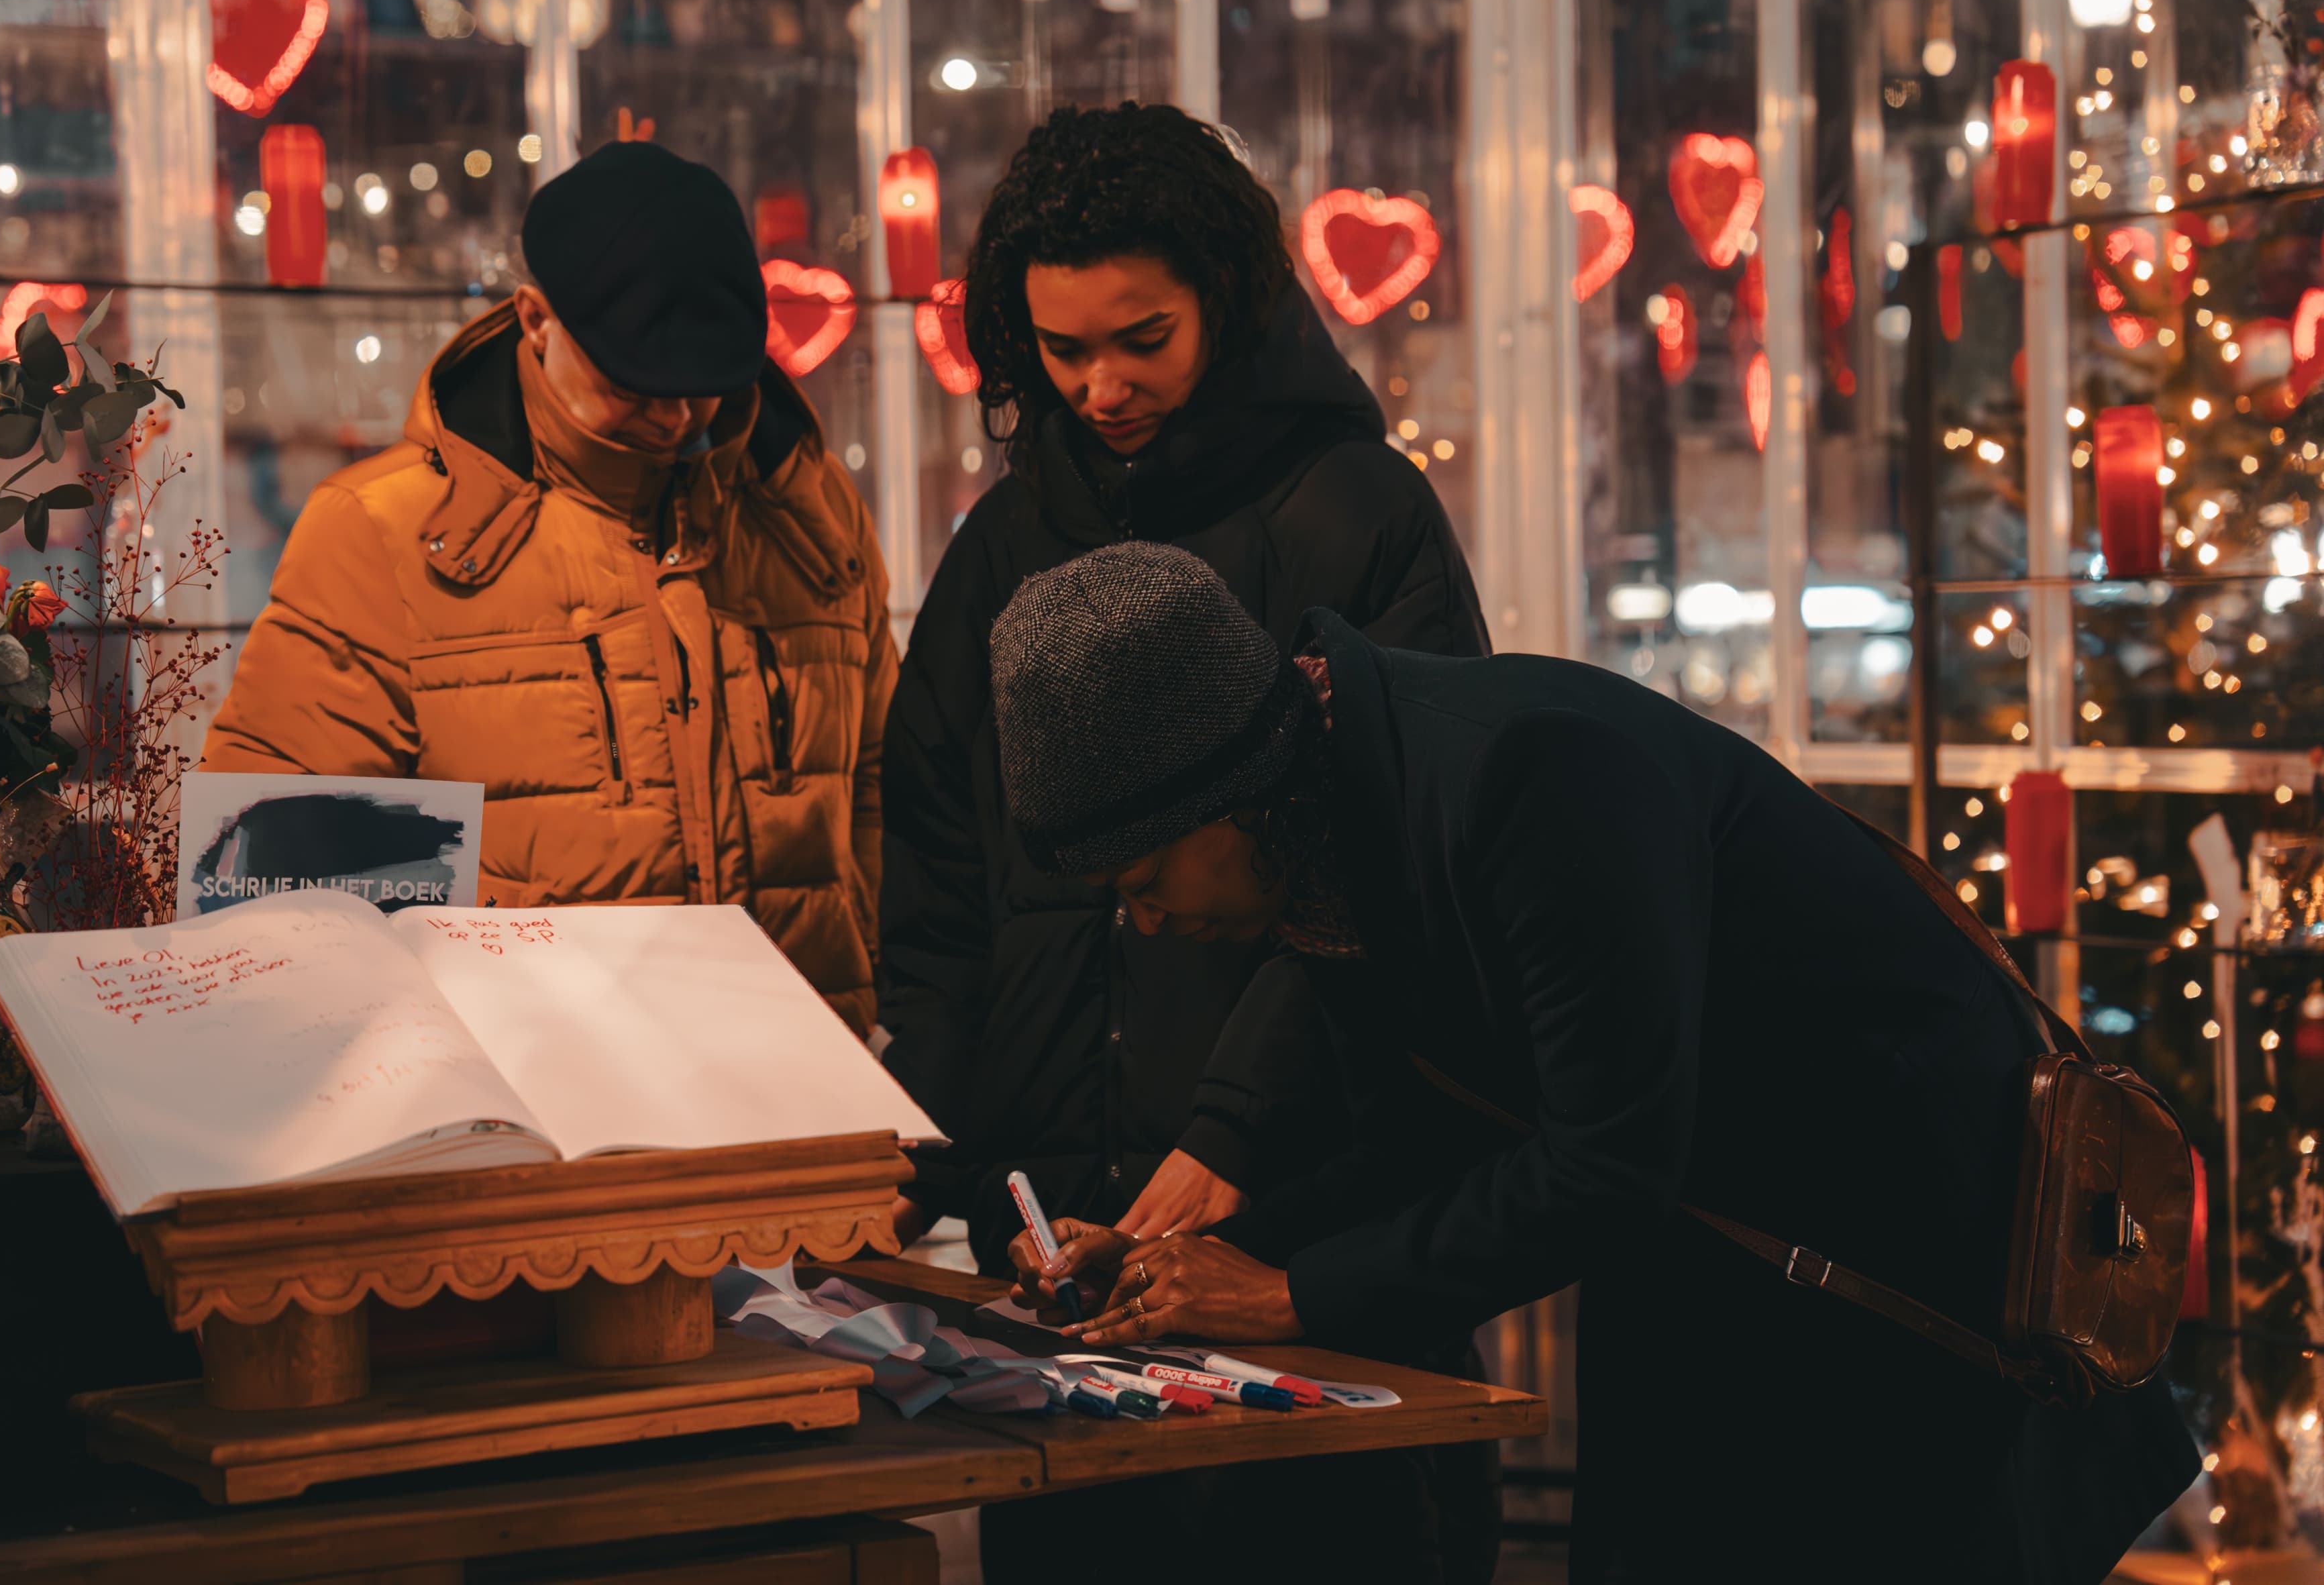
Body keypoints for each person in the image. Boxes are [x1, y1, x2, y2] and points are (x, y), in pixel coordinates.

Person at [988, 543, 2200, 1584]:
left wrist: (1283, 1293)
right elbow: (1426, 1141)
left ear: (1232, 793)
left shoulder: (1530, 772)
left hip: (1897, 1243)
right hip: (1727, 1232)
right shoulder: (1336, 823)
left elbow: (1606, 1163)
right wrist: (1186, 1268)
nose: (1146, 922)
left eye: (1143, 878)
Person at [876, 101, 1490, 1272]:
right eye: (1063, 351)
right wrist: (924, 1152)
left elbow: (1397, 859)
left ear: (1224, 293)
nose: (1101, 387)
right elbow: (939, 880)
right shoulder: (1001, 543)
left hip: (1310, 1205)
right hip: (1042, 1222)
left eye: (1142, 339)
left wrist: (1240, 1127)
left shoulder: (1358, 514)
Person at [203, 143, 896, 1032]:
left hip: (805, 1078)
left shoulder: (808, 508)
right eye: (636, 383)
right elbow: (272, 875)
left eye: (706, 386)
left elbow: (887, 789)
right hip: (529, 1094)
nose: (676, 416)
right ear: (536, 321)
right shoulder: (382, 535)